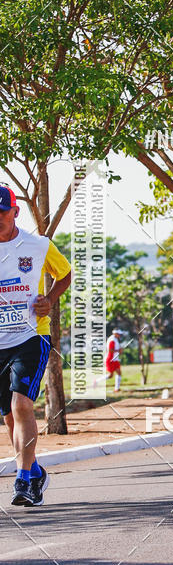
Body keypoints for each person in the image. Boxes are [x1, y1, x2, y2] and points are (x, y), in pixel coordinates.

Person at [0, 185, 71, 507]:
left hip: (31, 335)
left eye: (3, 212)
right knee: (10, 417)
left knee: (21, 405)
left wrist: (49, 300)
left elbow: (66, 273)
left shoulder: (38, 245)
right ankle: (35, 469)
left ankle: (24, 480)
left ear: (15, 211)